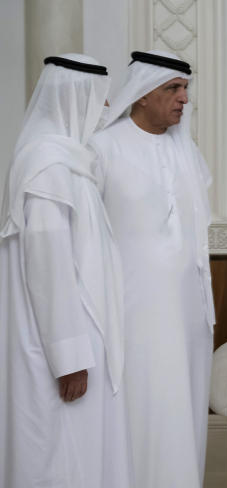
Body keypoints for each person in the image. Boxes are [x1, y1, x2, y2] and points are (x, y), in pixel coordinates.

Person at [0, 55, 132, 487]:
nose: (107, 107)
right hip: (59, 348)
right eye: (101, 98)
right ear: (77, 100)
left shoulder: (70, 164)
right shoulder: (48, 169)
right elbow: (48, 270)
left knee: (82, 454)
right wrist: (69, 358)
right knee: (58, 454)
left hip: (80, 337)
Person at [90, 50, 214, 488]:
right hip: (132, 314)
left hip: (188, 317)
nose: (183, 99)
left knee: (183, 412)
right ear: (141, 94)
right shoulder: (103, 148)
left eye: (185, 89)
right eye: (172, 89)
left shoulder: (187, 150)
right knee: (143, 412)